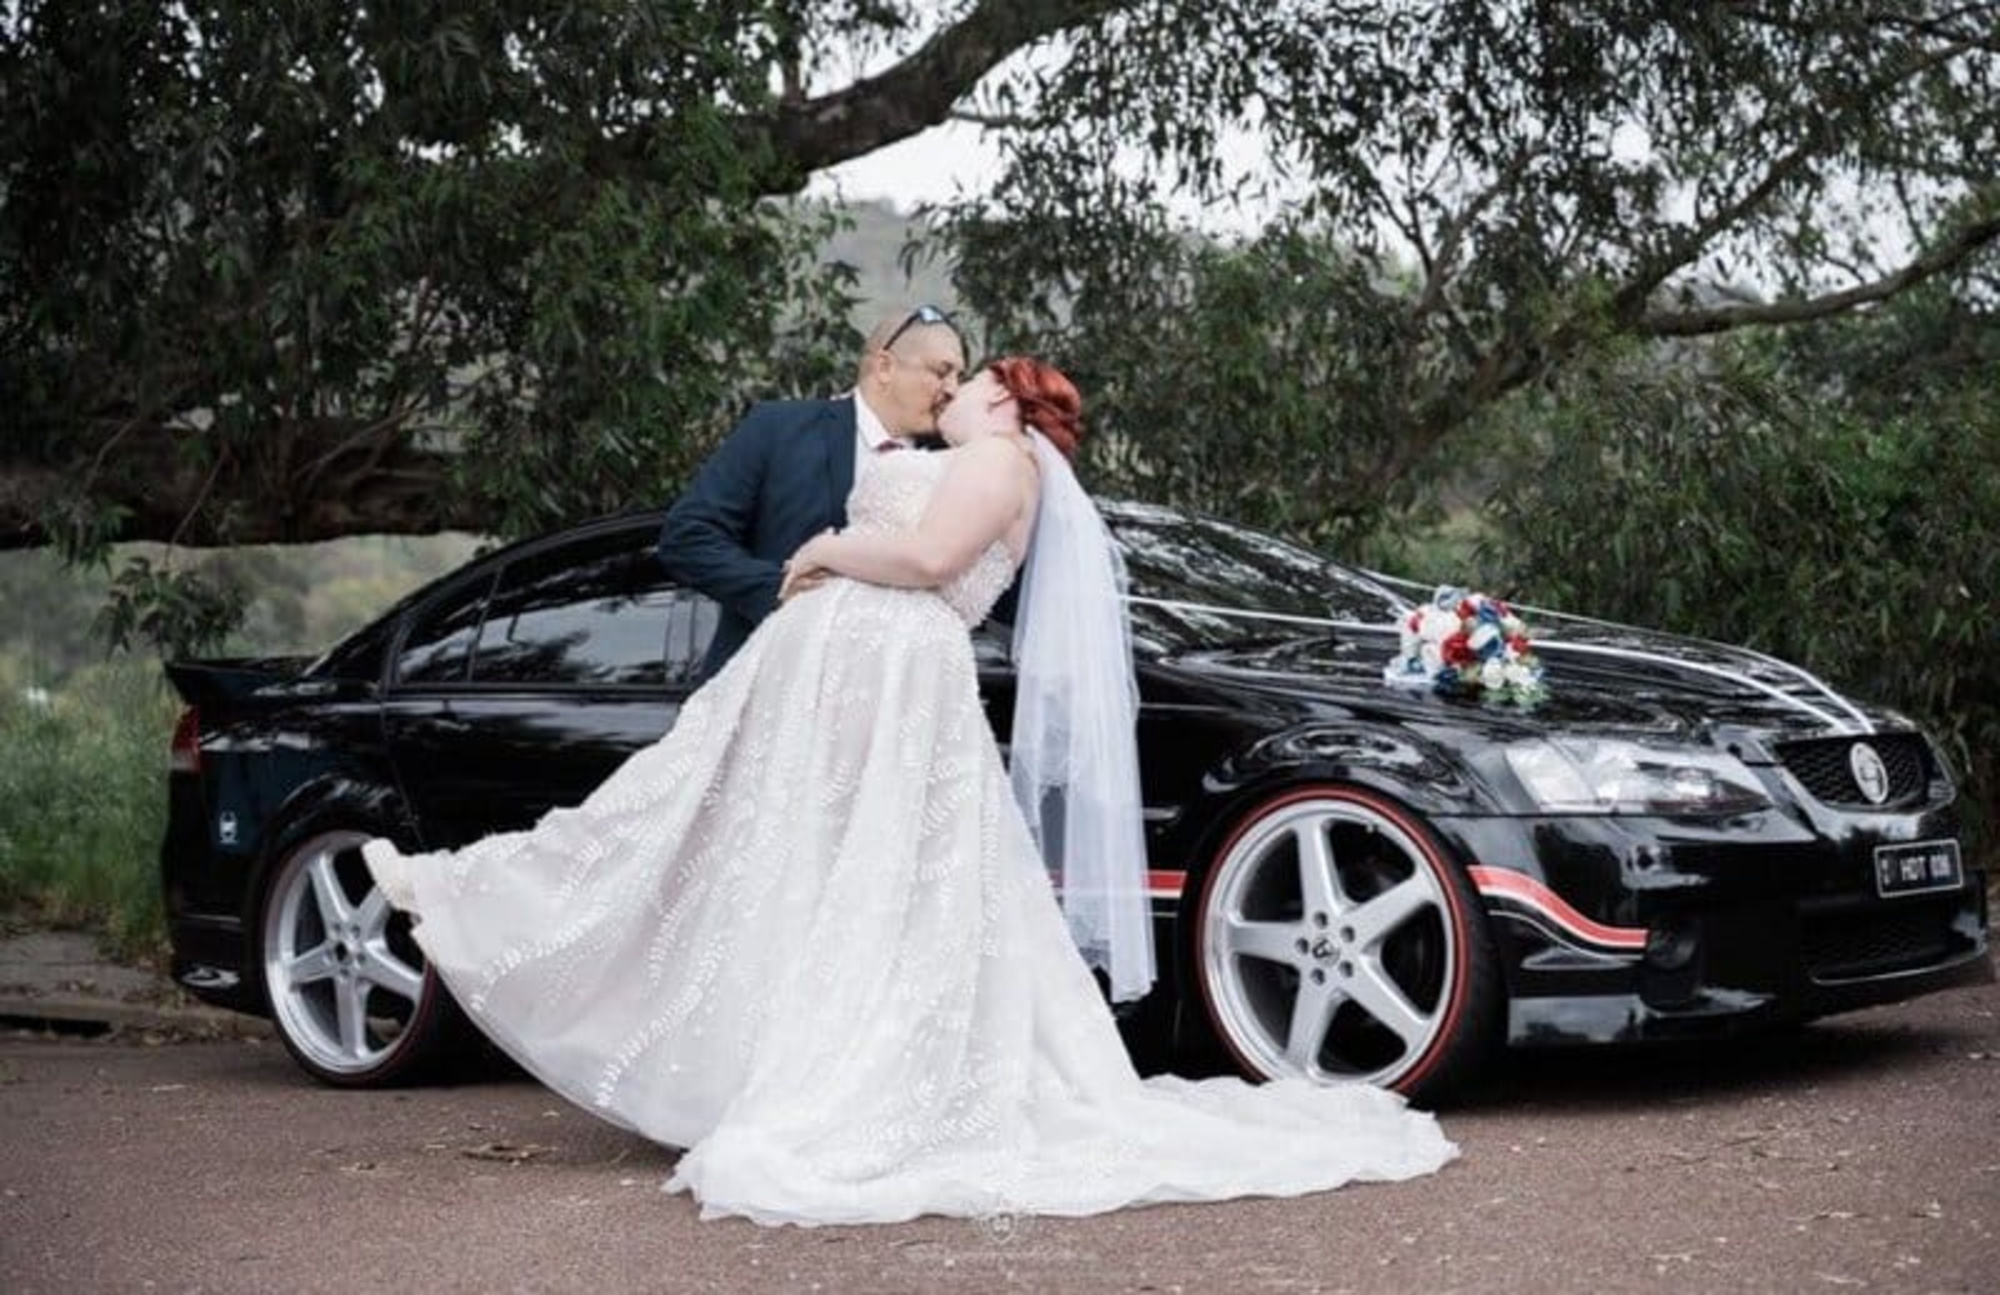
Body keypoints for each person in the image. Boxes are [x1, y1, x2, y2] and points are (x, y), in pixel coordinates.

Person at [360, 355, 1458, 1227]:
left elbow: (932, 558)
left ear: (1008, 401)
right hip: (860, 665)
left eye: (971, 382)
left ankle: (483, 897)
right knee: (719, 826)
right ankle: (479, 893)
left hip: (886, 662)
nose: (954, 390)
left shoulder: (998, 461)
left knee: (772, 843)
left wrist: (826, 548)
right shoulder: (989, 461)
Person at [657, 304, 974, 683]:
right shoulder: (778, 429)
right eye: (941, 372)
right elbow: (688, 536)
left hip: (892, 696)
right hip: (768, 681)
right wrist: (779, 589)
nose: (953, 390)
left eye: (959, 376)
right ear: (885, 367)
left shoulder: (956, 462)